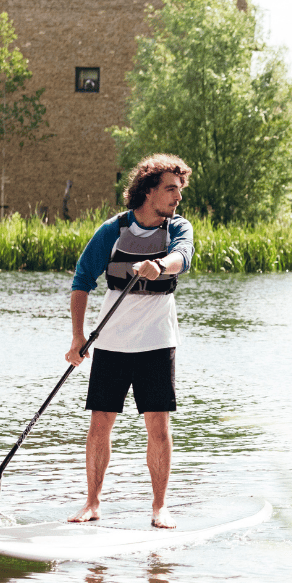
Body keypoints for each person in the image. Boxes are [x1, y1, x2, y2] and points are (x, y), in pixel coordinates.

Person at [66, 154, 195, 529]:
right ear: (149, 191)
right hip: (112, 342)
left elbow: (183, 257)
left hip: (157, 341)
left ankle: (159, 507)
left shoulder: (177, 228)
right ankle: (92, 503)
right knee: (100, 423)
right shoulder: (114, 230)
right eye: (170, 189)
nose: (178, 197)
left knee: (158, 426)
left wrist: (161, 266)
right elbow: (82, 281)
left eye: (180, 190)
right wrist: (78, 336)